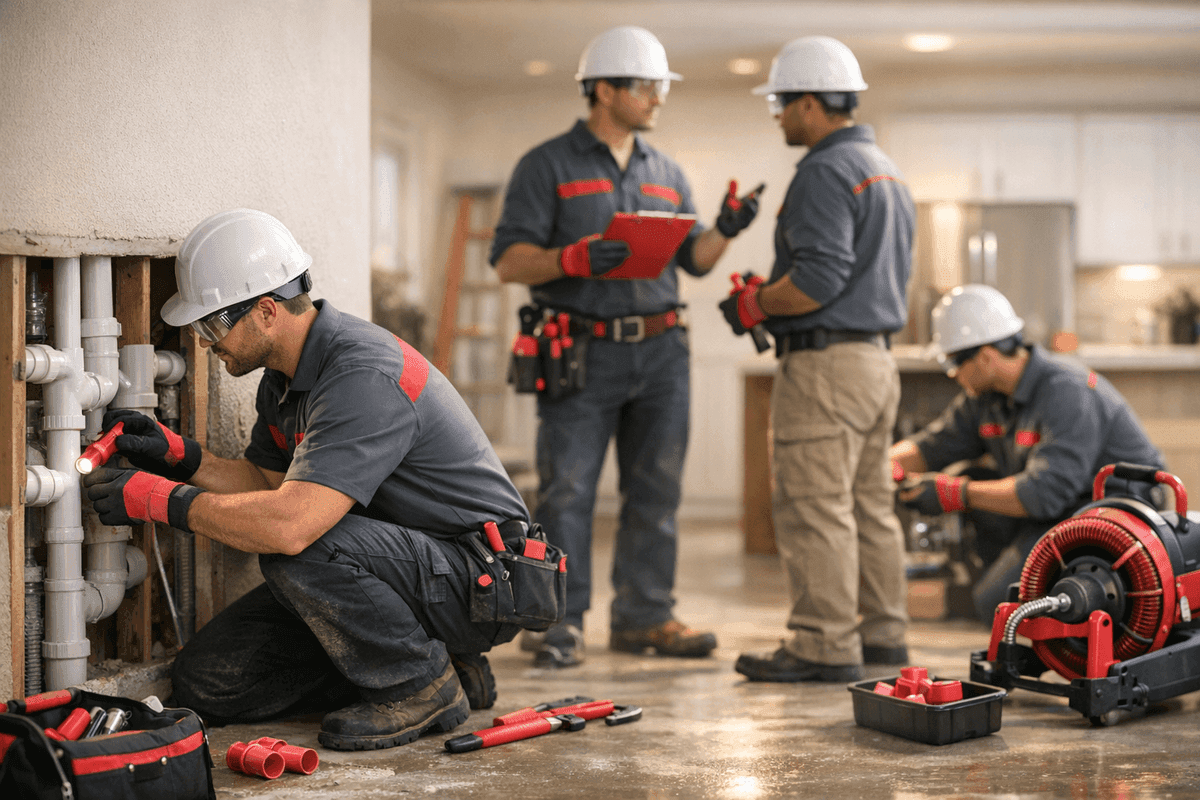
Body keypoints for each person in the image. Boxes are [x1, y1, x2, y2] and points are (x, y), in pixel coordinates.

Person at [82, 208, 559, 751]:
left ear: (265, 311)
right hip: (406, 572)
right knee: (209, 682)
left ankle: (420, 686)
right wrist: (182, 458)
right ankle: (440, 657)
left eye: (212, 325)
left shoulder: (362, 375)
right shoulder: (284, 380)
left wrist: (158, 499)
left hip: (483, 579)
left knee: (297, 547)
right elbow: (268, 483)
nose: (205, 343)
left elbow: (290, 526)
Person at [490, 25, 762, 668]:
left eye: (661, 87)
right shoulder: (546, 164)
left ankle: (645, 616)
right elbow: (508, 260)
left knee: (658, 489)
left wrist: (724, 229)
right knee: (569, 490)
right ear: (603, 89)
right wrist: (572, 257)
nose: (658, 99)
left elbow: (694, 261)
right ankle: (557, 621)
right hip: (583, 351)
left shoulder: (666, 173)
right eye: (647, 87)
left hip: (663, 352)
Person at [724, 36, 915, 683]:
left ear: (810, 102)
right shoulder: (883, 169)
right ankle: (884, 637)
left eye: (781, 102)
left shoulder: (823, 171)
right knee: (869, 507)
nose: (777, 114)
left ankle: (824, 644)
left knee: (814, 505)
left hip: (828, 366)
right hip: (875, 365)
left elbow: (818, 279)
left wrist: (756, 302)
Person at [891, 284, 1166, 623]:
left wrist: (955, 493)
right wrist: (882, 464)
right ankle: (1009, 590)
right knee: (979, 486)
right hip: (1060, 511)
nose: (952, 374)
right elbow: (932, 446)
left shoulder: (1066, 392)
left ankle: (1029, 603)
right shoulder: (985, 397)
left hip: (1112, 519)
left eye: (952, 363)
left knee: (998, 607)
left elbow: (1043, 495)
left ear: (986, 358)